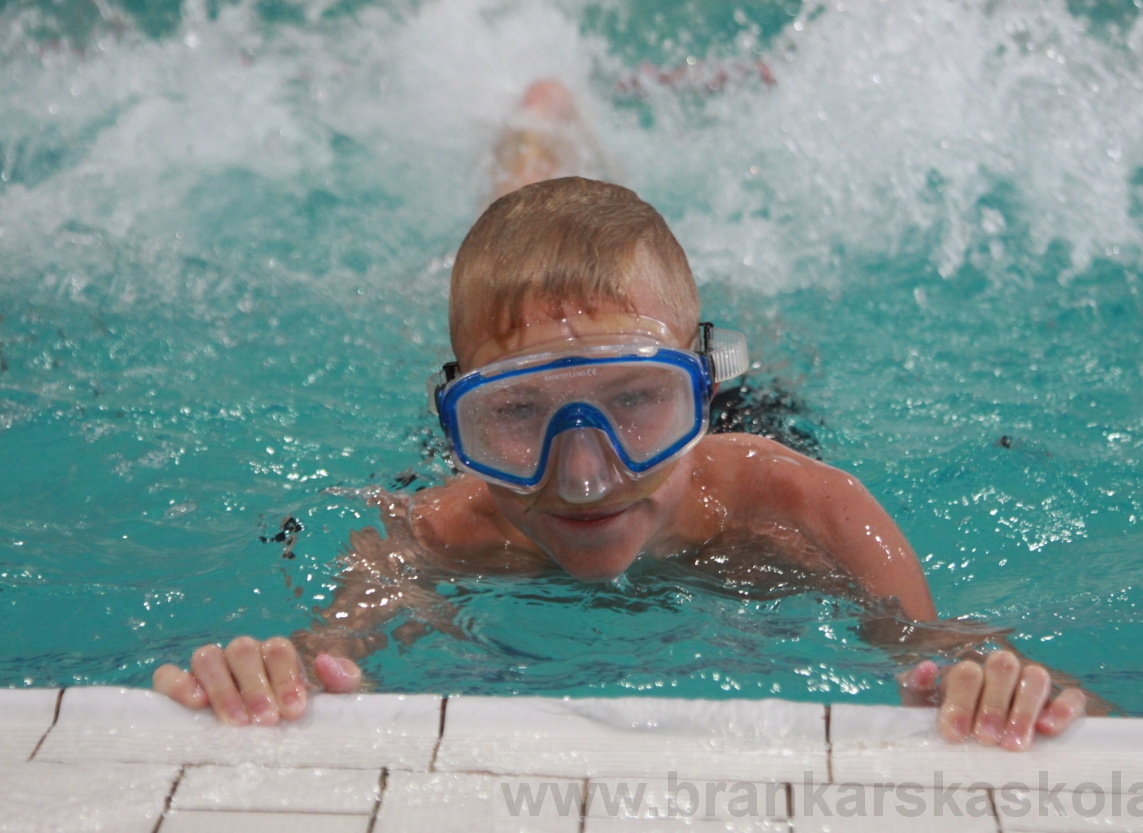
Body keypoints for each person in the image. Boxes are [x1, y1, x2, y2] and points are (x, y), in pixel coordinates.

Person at [153, 82, 1094, 751]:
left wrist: (997, 680)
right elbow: (324, 649)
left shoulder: (799, 502)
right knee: (520, 265)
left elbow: (937, 649)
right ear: (460, 424)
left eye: (637, 401)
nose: (585, 475)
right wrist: (273, 669)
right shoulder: (443, 525)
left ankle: (550, 134)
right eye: (517, 413)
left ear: (698, 393)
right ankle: (535, 132)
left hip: (742, 426)